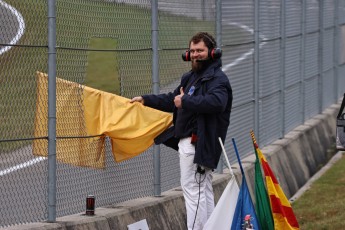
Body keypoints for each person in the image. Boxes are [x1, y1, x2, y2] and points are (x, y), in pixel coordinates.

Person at [130, 32, 232, 230]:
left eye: (200, 50)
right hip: (191, 143)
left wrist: (185, 101)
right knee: (203, 191)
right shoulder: (191, 77)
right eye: (192, 51)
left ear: (212, 52)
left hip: (198, 144)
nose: (195, 55)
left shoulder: (218, 79)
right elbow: (172, 99)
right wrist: (146, 99)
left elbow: (218, 102)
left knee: (194, 191)